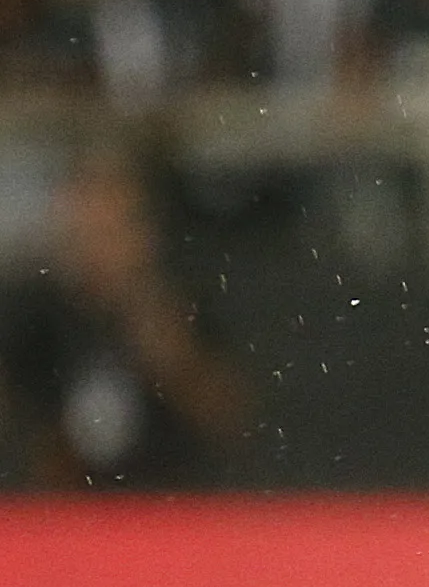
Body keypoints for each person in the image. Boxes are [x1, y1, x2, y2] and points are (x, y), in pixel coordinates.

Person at [0, 143, 252, 489]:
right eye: (85, 231)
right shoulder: (37, 318)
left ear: (143, 235)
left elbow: (234, 422)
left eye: (111, 231)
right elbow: (22, 438)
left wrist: (170, 352)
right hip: (66, 517)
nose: (97, 248)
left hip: (176, 506)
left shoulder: (186, 304)